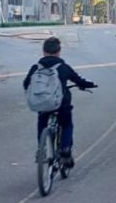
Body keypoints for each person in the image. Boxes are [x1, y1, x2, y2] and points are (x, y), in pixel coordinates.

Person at [23, 36, 97, 168]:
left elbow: (26, 84)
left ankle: (42, 149)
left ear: (43, 51)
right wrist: (89, 85)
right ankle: (65, 151)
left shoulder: (36, 67)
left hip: (44, 105)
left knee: (42, 121)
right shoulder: (63, 67)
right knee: (67, 124)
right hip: (61, 105)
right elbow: (78, 80)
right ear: (58, 51)